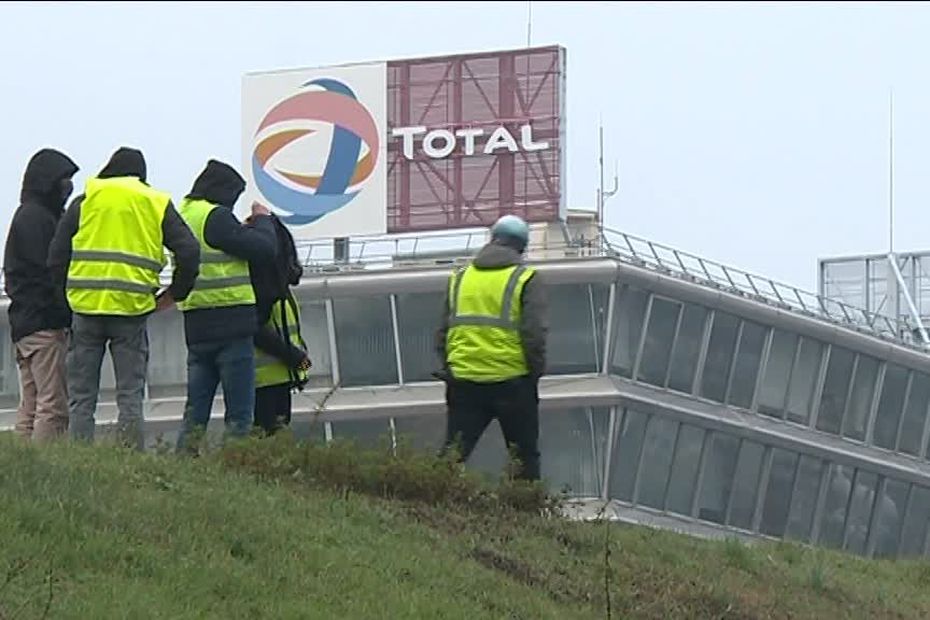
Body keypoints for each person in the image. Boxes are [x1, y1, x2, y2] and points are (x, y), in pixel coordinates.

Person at [47, 147, 200, 450]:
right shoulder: (155, 202)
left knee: (82, 399)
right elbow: (189, 251)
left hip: (86, 311)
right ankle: (129, 462)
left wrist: (69, 301)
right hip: (132, 312)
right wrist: (173, 295)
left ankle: (81, 462)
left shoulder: (86, 201)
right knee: (130, 397)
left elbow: (55, 258)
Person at [173, 160, 277, 451]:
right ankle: (236, 466)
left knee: (195, 412)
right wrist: (263, 220)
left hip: (197, 326)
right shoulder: (215, 216)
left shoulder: (186, 214)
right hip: (231, 326)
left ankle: (183, 465)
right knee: (240, 415)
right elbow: (265, 250)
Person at [436, 214, 548, 481]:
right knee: (524, 457)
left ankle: (429, 500)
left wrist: (451, 367)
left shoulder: (460, 278)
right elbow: (534, 335)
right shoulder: (526, 278)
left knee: (453, 453)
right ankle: (526, 514)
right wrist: (534, 374)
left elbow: (442, 332)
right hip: (513, 382)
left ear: (492, 239)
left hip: (465, 382)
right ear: (521, 247)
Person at [3, 149, 78, 441]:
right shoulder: (40, 219)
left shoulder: (27, 215)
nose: (68, 186)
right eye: (64, 179)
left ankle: (24, 465)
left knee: (32, 404)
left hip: (24, 324)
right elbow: (50, 272)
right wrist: (63, 311)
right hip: (44, 324)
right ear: (49, 181)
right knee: (53, 406)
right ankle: (46, 467)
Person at [247, 212, 311, 435]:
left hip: (279, 377)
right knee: (271, 439)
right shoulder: (266, 287)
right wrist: (297, 359)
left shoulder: (277, 288)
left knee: (275, 440)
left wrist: (301, 364)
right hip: (266, 381)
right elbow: (256, 329)